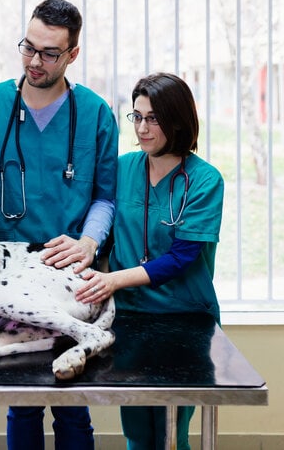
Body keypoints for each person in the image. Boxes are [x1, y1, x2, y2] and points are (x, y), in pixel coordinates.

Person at [0, 0, 118, 450]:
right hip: (9, 274)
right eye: (28, 47)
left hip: (68, 273)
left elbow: (105, 195)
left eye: (49, 53)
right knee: (23, 398)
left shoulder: (94, 114)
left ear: (72, 55)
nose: (35, 61)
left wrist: (90, 242)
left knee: (73, 403)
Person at [75, 72, 225, 450]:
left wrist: (114, 280)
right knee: (138, 431)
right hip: (130, 317)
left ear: (177, 120)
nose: (142, 128)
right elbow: (103, 226)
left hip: (185, 320)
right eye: (137, 117)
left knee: (171, 432)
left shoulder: (205, 180)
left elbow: (182, 257)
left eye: (153, 118)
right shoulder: (123, 168)